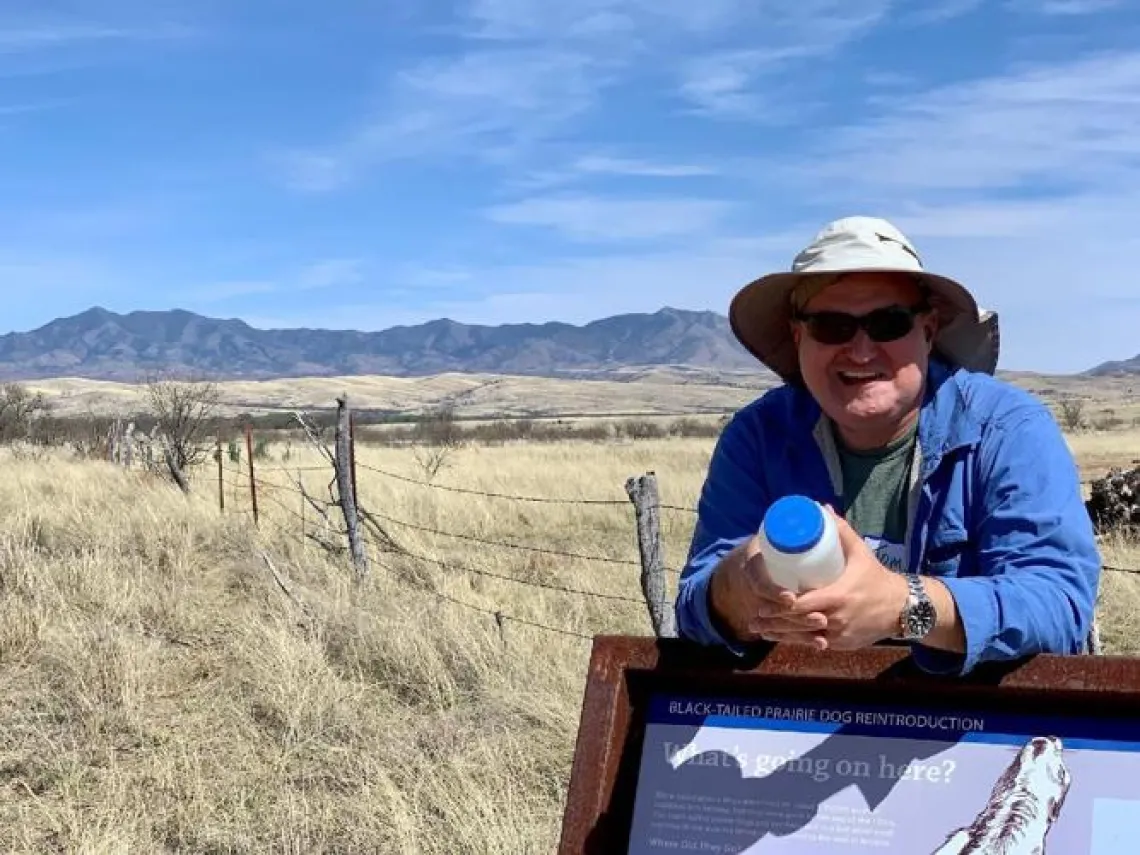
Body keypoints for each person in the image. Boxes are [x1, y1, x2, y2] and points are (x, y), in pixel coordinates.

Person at [675, 216, 1102, 676]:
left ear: (929, 330)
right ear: (798, 337)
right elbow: (696, 606)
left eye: (888, 323)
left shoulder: (1007, 429)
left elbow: (1058, 605)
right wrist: (739, 589)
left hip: (974, 732)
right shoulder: (758, 436)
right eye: (831, 326)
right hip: (795, 723)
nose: (860, 351)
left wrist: (904, 605)